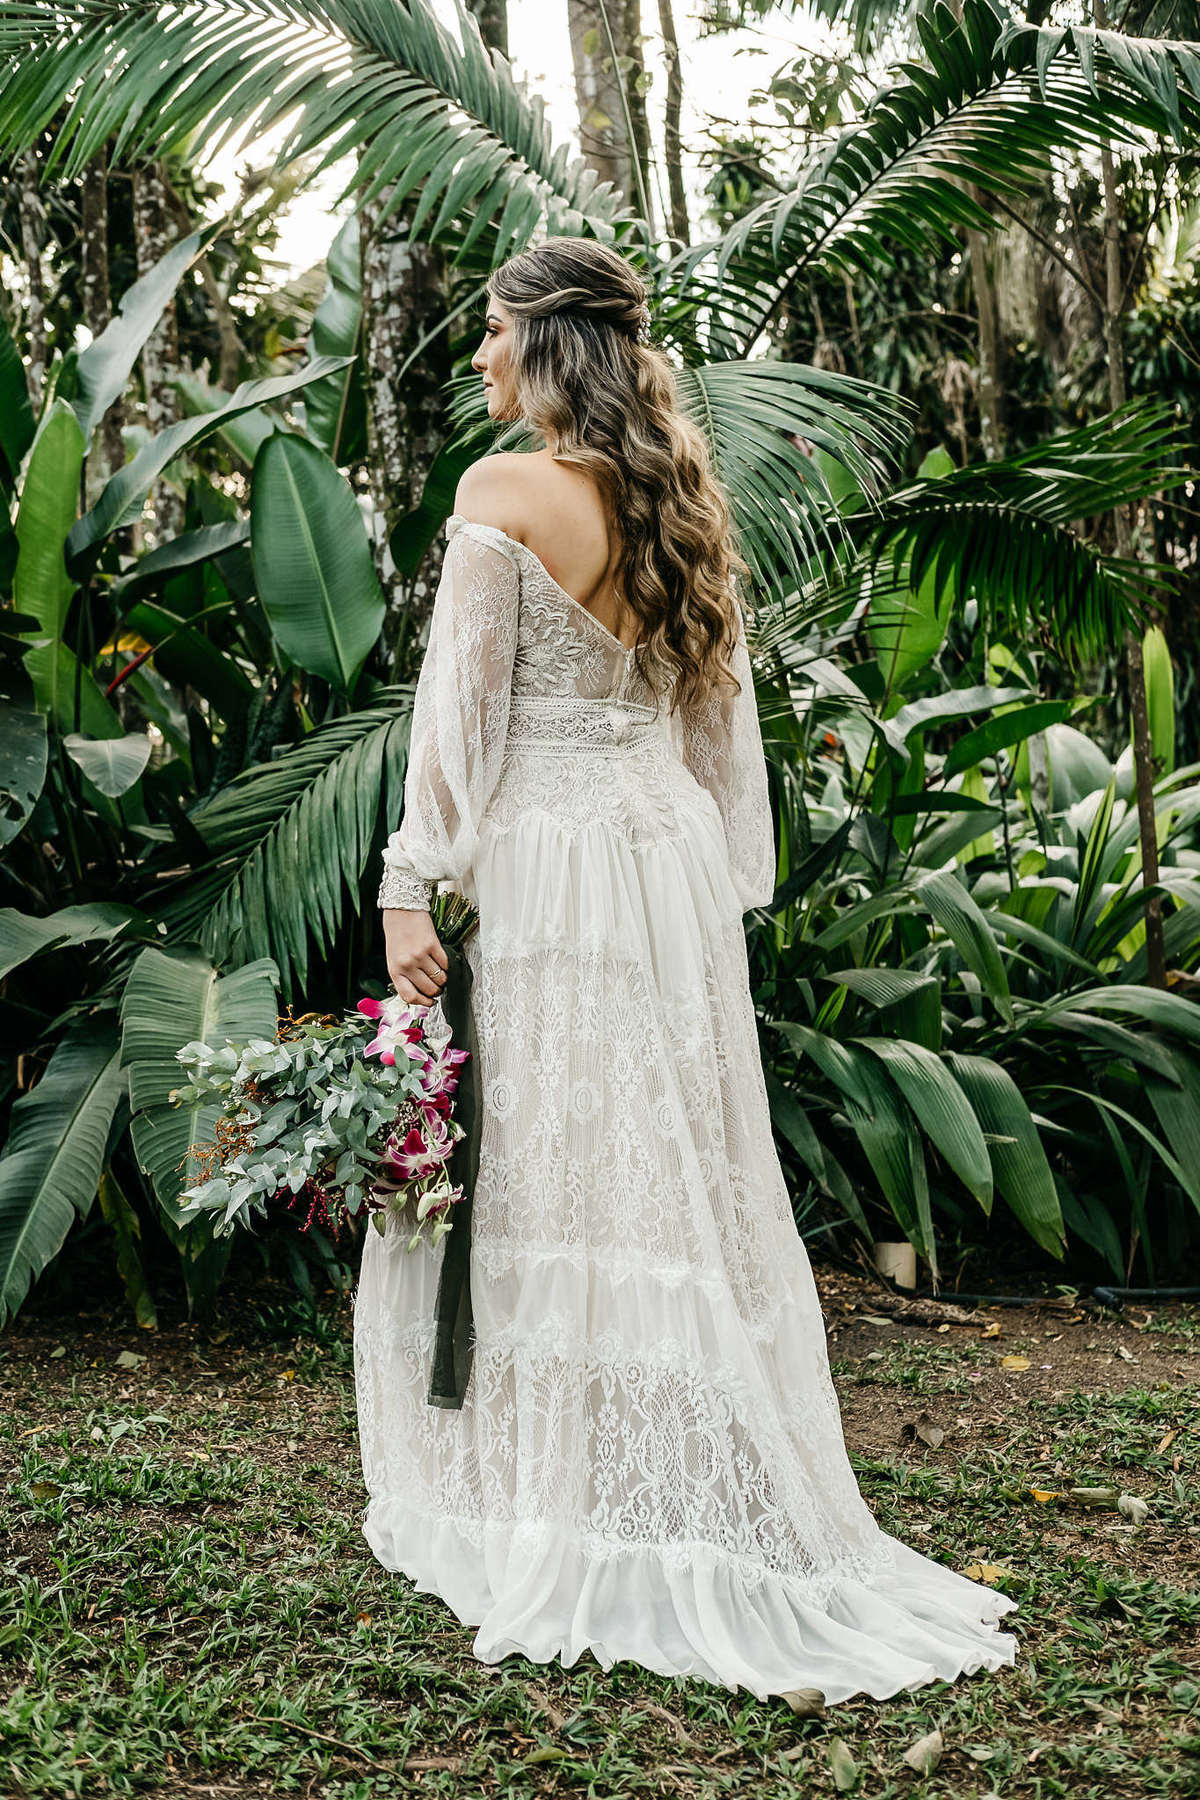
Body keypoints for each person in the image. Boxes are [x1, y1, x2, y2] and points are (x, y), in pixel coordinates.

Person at [352, 236, 1018, 1703]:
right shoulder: (677, 493)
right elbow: (719, 731)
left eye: (492, 332)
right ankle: (654, 1484)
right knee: (668, 1171)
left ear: (548, 342)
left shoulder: (501, 495)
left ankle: (564, 1501)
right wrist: (716, 875)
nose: (477, 358)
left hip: (551, 864)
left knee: (559, 1165)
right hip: (660, 863)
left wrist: (415, 884)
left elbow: (457, 725)